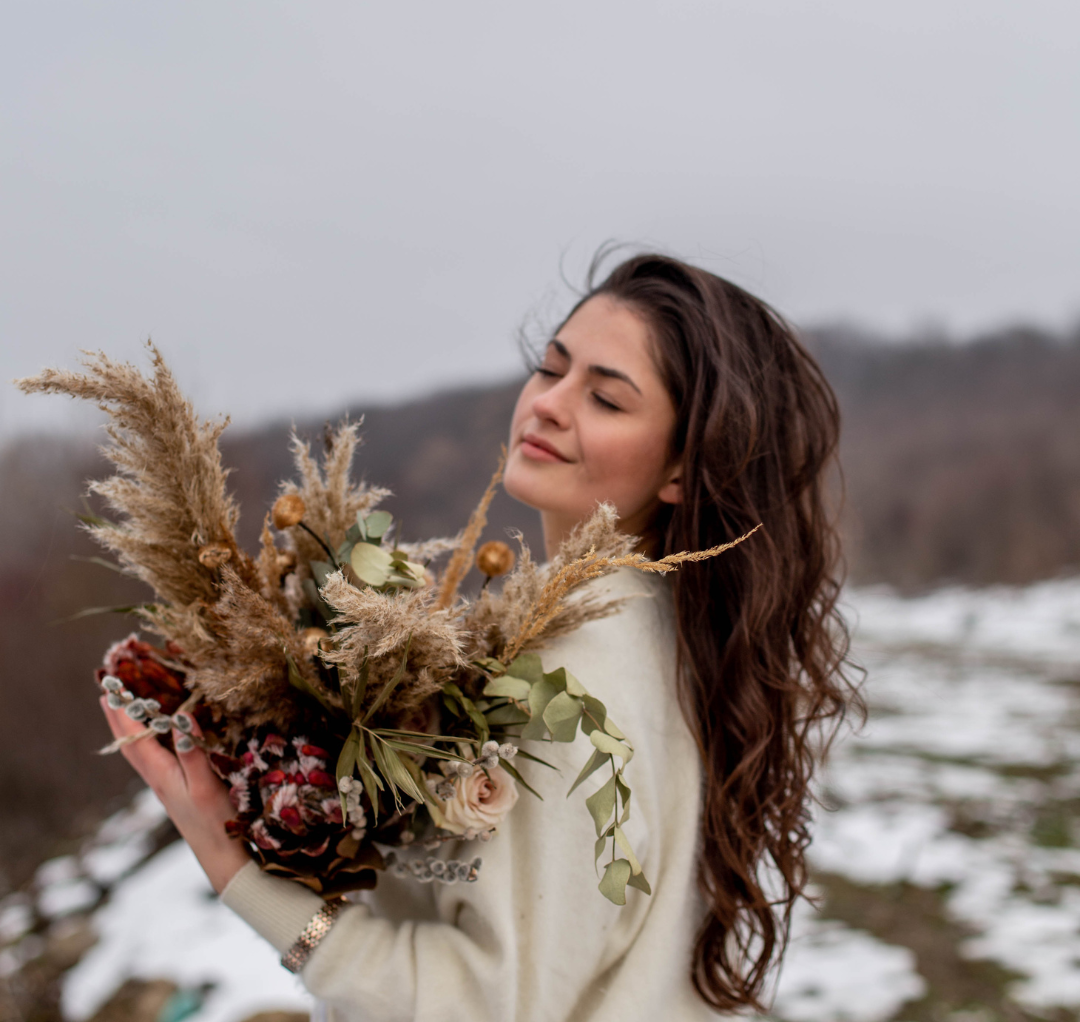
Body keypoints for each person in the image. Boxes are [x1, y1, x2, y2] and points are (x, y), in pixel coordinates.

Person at [104, 251, 856, 1020]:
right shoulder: (672, 630)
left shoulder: (569, 672)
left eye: (605, 398)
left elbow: (486, 1003)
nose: (550, 404)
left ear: (682, 472)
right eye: (551, 367)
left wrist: (239, 875)